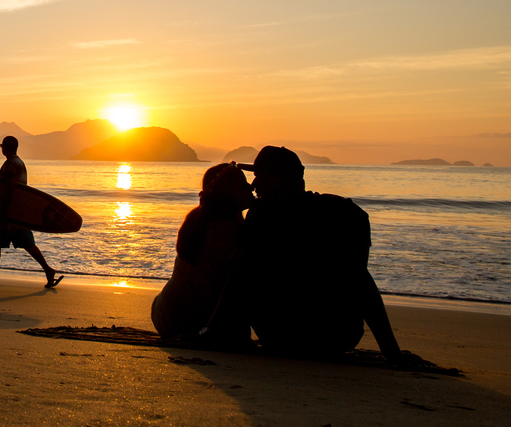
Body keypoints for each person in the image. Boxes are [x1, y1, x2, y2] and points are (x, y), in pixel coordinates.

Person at [204, 146, 403, 359]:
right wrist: (392, 351)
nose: (254, 185)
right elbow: (360, 282)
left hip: (281, 334)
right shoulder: (349, 213)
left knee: (244, 262)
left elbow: (241, 274)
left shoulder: (263, 214)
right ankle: (391, 349)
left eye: (259, 177)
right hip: (341, 336)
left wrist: (210, 332)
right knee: (356, 270)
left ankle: (215, 332)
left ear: (277, 181)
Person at [151, 163, 254, 339]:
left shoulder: (197, 218)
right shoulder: (227, 231)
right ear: (228, 192)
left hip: (164, 312)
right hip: (190, 320)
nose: (250, 187)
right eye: (243, 185)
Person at [0, 136, 62, 288]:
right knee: (28, 244)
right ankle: (48, 270)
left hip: (10, 212)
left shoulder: (9, 165)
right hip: (20, 213)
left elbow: (9, 189)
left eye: (2, 146)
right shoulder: (20, 162)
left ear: (6, 147)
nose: (1, 149)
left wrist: (4, 213)